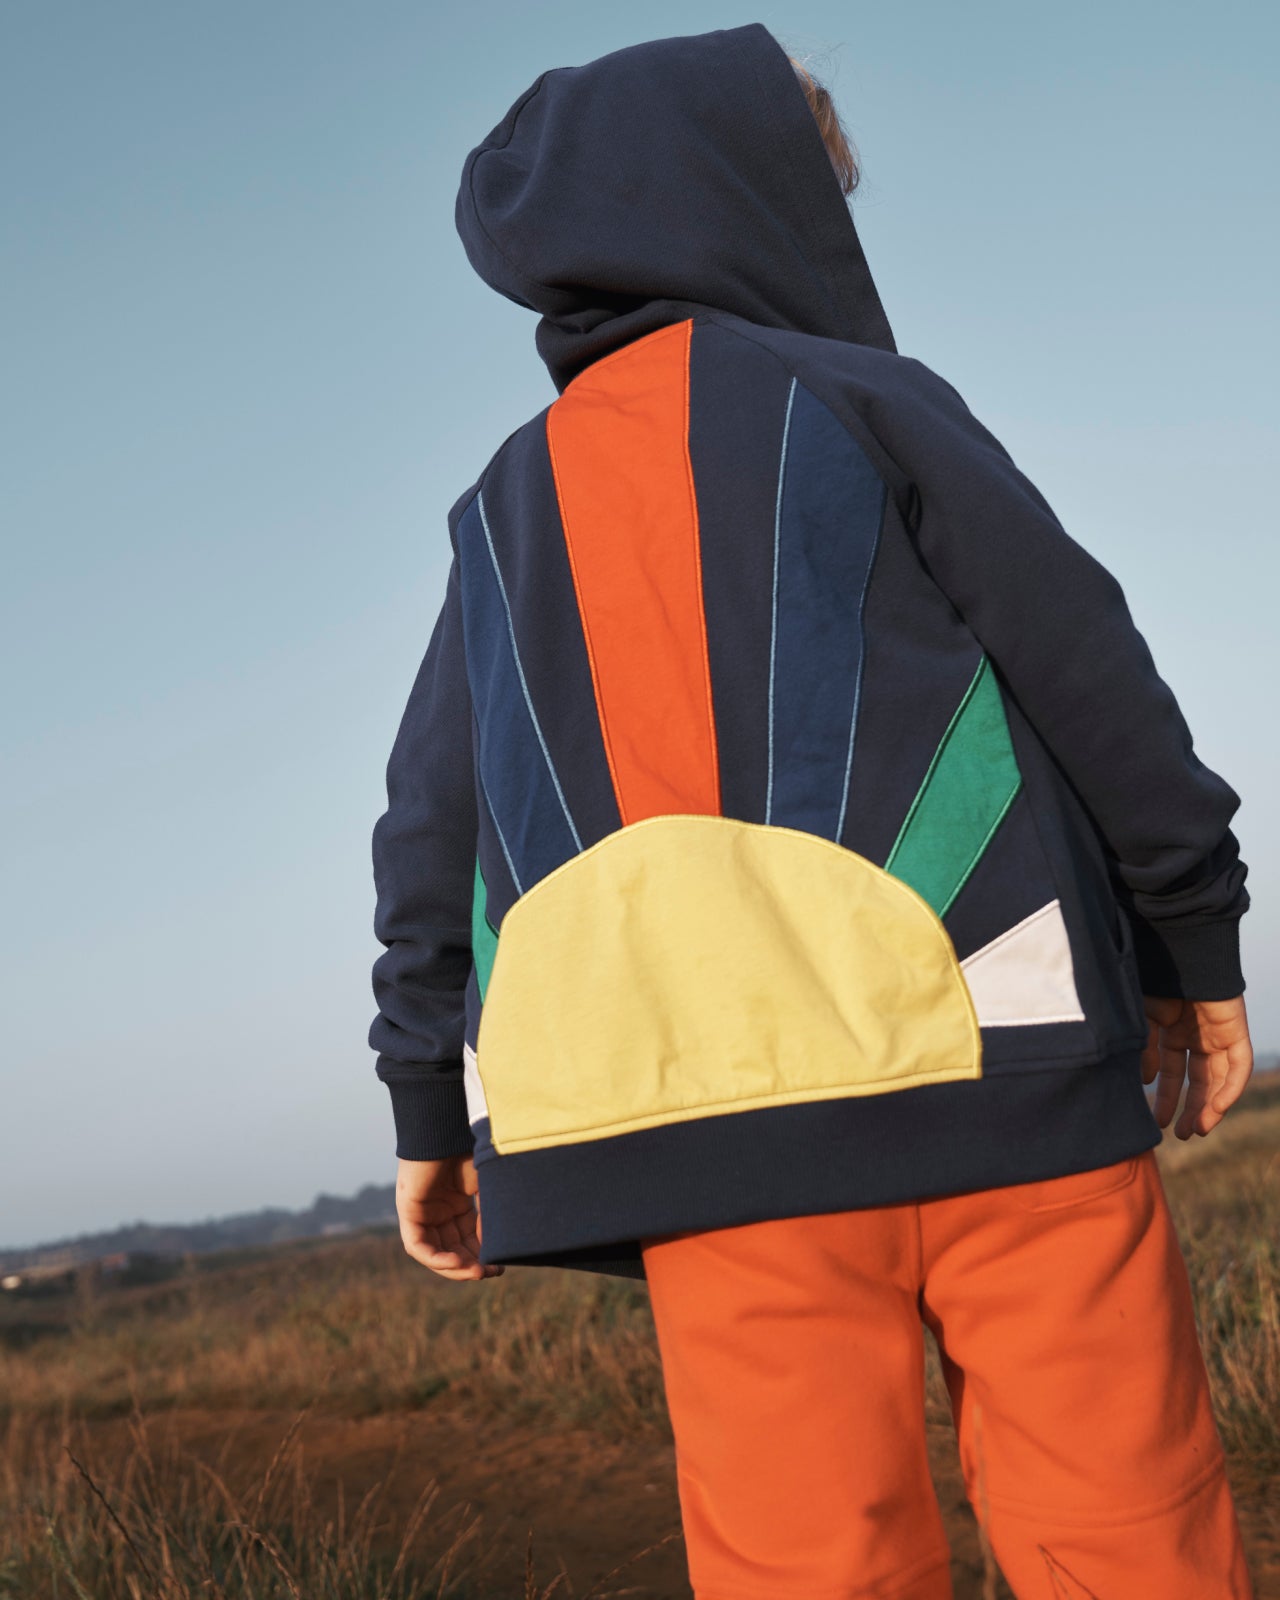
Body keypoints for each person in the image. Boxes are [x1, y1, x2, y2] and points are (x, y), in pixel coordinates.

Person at [368, 23, 1256, 1598]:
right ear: (748, 202)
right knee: (1127, 1537)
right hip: (1008, 1073)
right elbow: (1088, 665)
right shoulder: (868, 400)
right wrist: (1194, 941)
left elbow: (433, 826)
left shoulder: (505, 510)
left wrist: (431, 1108)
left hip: (713, 1148)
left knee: (808, 1567)